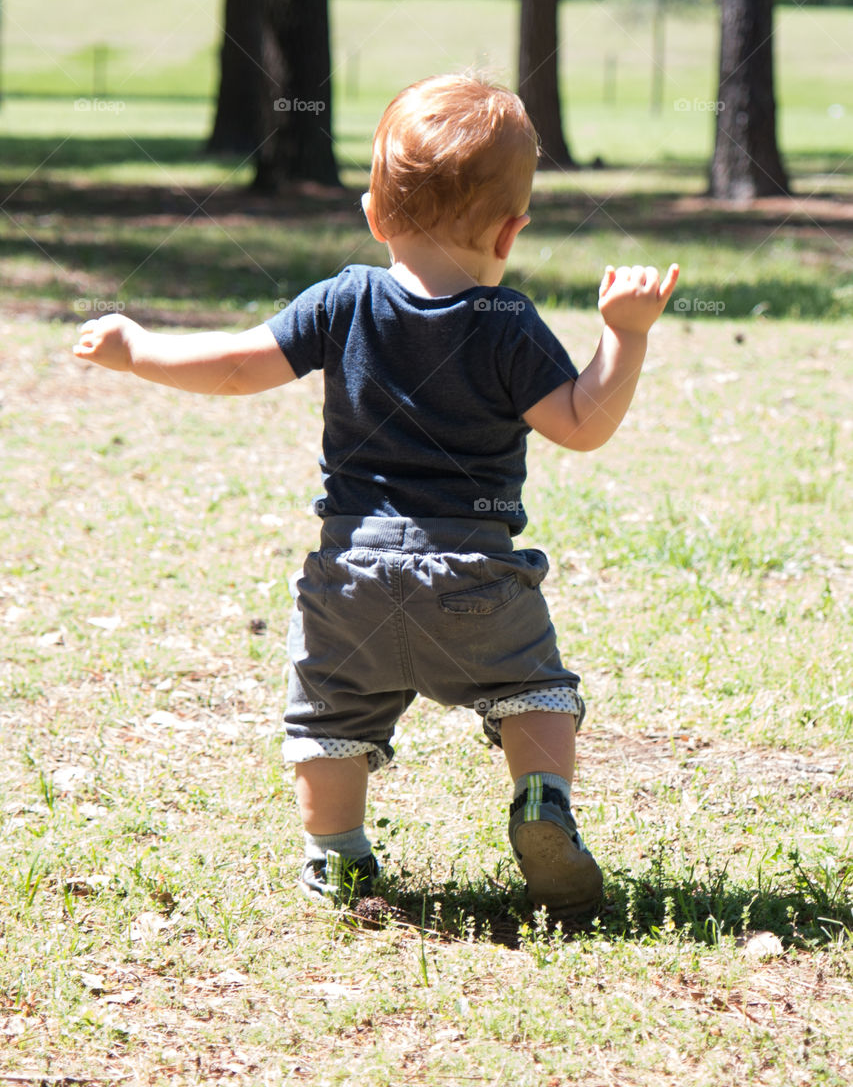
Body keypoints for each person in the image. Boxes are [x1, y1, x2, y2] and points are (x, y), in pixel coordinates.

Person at [74, 73, 678, 915]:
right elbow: (581, 424)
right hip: (473, 574)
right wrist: (623, 335)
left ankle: (339, 858)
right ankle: (542, 800)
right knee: (534, 690)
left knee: (328, 720)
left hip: (350, 576)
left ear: (372, 214)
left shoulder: (343, 301)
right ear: (511, 229)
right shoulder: (506, 322)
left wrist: (138, 348)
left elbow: (241, 367)